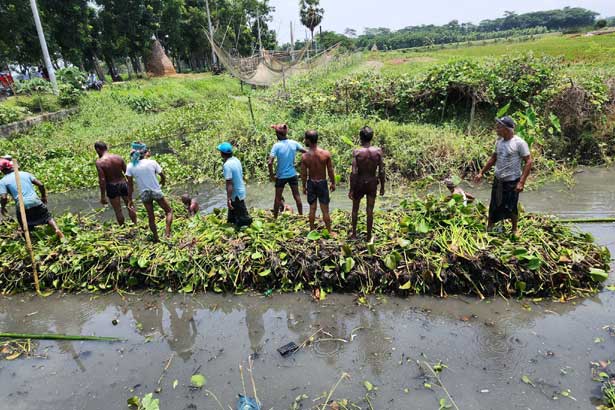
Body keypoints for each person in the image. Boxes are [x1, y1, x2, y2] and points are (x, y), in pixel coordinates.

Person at [474, 116, 532, 237]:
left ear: (506, 129)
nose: (496, 129)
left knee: (511, 205)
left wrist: (521, 182)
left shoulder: (519, 143)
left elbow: (528, 161)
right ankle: (490, 226)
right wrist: (481, 173)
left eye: (499, 126)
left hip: (512, 180)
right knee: (494, 203)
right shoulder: (499, 142)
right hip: (499, 179)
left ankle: (514, 229)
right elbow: (493, 158)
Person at [0, 159, 64, 239]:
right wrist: (43, 196)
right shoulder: (25, 174)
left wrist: (3, 207)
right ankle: (56, 229)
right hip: (35, 200)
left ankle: (29, 237)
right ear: (11, 167)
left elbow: (4, 197)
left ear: (2, 170)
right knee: (47, 217)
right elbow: (41, 184)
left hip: (22, 204)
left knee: (23, 223)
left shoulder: (3, 181)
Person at [126, 142, 173, 242]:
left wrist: (130, 200)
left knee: (151, 216)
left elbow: (130, 186)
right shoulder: (152, 162)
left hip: (144, 194)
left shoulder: (130, 166)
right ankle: (167, 234)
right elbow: (162, 176)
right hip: (155, 191)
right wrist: (162, 182)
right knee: (169, 211)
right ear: (144, 153)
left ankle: (156, 237)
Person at [349, 126, 385, 242]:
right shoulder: (378, 151)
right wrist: (382, 187)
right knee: (370, 210)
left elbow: (354, 172)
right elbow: (382, 171)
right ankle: (368, 236)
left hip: (359, 182)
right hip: (372, 183)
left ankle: (354, 234)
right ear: (371, 137)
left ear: (360, 137)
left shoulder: (357, 152)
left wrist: (351, 189)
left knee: (355, 209)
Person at [268, 124, 306, 218]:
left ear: (278, 134)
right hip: (292, 174)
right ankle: (301, 216)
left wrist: (272, 175)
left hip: (281, 176)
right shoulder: (294, 143)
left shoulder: (276, 146)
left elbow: (270, 162)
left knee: (277, 198)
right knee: (297, 196)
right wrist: (300, 163)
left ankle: (275, 218)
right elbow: (306, 152)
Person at [94, 141, 137, 226]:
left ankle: (122, 227)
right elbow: (127, 173)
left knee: (118, 210)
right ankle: (135, 224)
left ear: (98, 149)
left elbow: (102, 180)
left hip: (111, 186)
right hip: (123, 184)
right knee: (130, 206)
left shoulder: (99, 162)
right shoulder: (118, 157)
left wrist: (103, 196)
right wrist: (131, 186)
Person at [301, 130, 336, 232]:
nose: (304, 140)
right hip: (322, 183)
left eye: (305, 139)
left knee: (312, 208)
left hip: (311, 183)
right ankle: (329, 231)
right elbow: (330, 170)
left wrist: (304, 186)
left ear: (308, 140)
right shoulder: (325, 154)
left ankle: (312, 230)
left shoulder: (305, 156)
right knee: (325, 210)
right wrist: (333, 183)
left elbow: (304, 174)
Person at [218, 142, 252, 229]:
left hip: (235, 194)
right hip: (240, 189)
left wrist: (228, 199)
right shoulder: (236, 160)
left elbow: (229, 184)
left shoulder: (227, 165)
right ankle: (232, 224)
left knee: (243, 218)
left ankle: (246, 229)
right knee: (232, 215)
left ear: (222, 153)